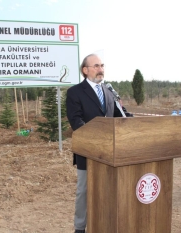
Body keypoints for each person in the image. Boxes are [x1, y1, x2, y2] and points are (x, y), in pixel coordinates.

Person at [66, 54, 132, 233]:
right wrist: (97, 139)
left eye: (102, 65)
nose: (100, 69)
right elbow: (76, 121)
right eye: (96, 66)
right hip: (88, 153)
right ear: (85, 70)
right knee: (84, 192)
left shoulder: (109, 92)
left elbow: (121, 117)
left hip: (111, 154)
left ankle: (106, 224)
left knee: (109, 191)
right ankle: (80, 227)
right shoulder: (75, 92)